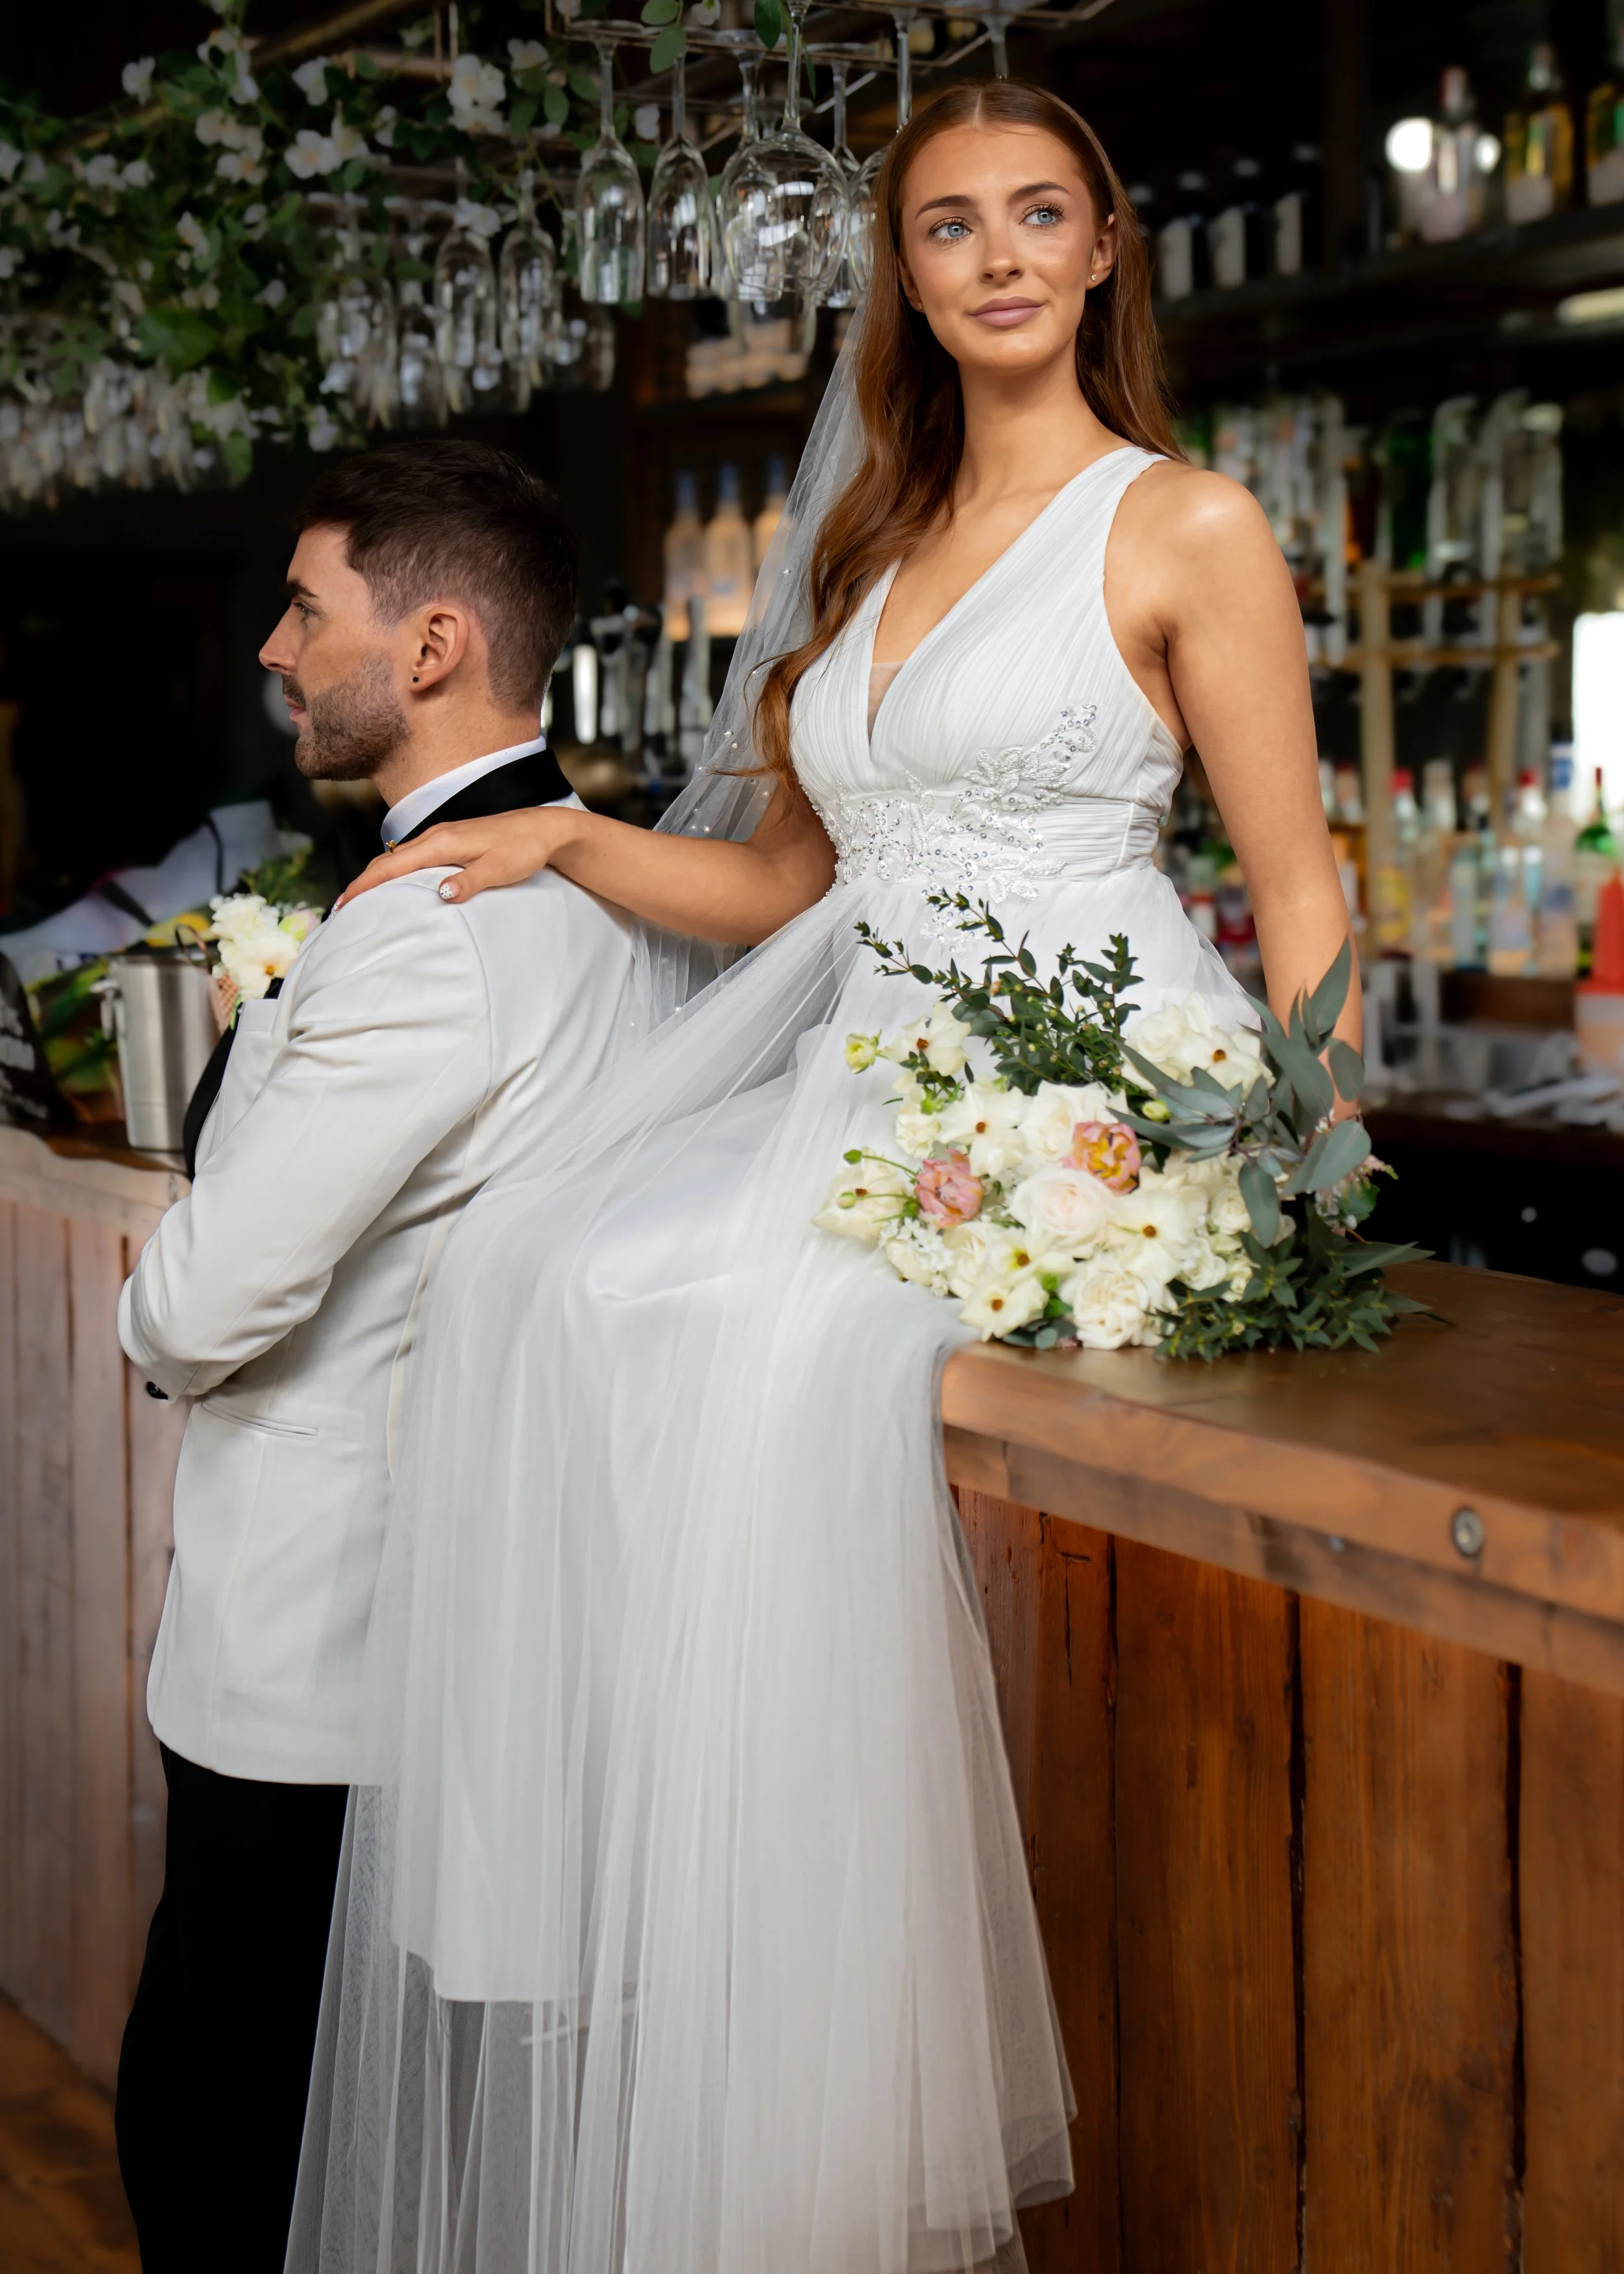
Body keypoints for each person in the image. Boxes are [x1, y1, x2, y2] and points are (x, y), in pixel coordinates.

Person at [290, 83, 1358, 2273]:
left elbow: (1300, 881)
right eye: (946, 224)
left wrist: (1312, 1166)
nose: (992, 256)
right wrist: (572, 832)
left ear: (1102, 252)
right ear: (906, 270)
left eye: (1035, 216)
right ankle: (627, 1916)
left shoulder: (1185, 530)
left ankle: (800, 2015)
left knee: (759, 1345)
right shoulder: (871, 540)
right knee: (538, 1277)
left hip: (1075, 1085)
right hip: (866, 1078)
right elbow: (791, 874)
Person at [112, 443, 641, 2274]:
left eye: (306, 609)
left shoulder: (430, 934)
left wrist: (153, 1286)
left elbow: (192, 1309)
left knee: (222, 2150)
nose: (271, 645)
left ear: (428, 646)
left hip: (318, 1647)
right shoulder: (605, 902)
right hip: (469, 1647)